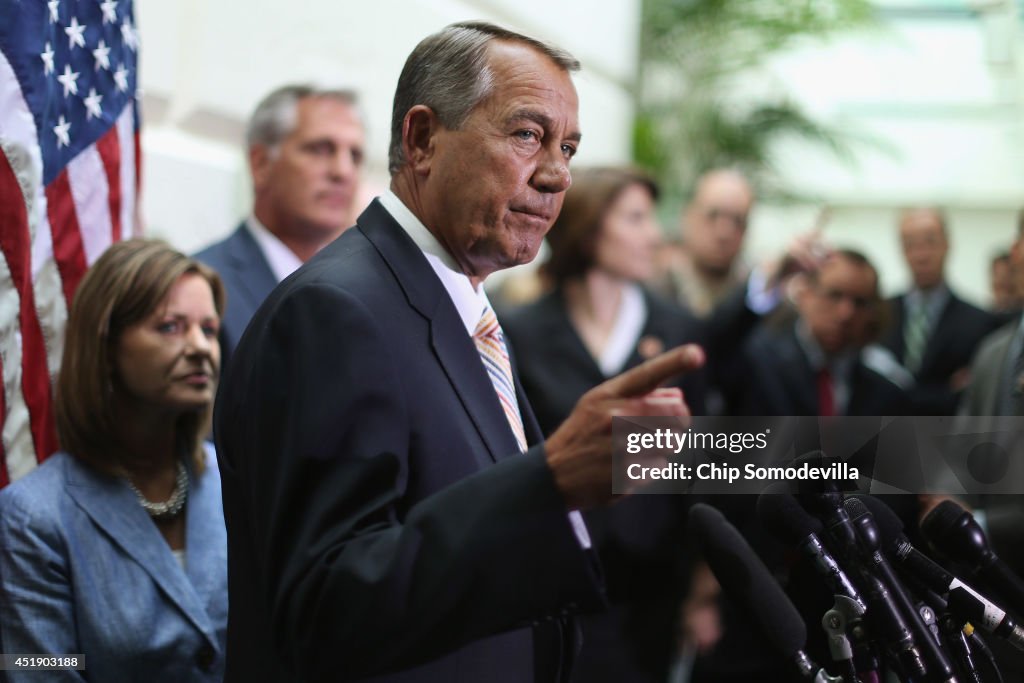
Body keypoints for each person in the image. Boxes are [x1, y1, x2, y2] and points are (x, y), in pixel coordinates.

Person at [214, 21, 701, 683]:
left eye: (569, 147)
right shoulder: (334, 312)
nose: (557, 175)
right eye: (528, 135)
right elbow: (325, 608)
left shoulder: (457, 301)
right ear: (422, 140)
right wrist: (548, 480)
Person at [502, 166, 705, 683]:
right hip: (549, 583)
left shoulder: (678, 330)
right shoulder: (519, 333)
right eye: (635, 218)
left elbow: (698, 464)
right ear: (589, 227)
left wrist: (705, 586)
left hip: (650, 587)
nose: (654, 235)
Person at [0, 239, 228, 682]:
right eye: (170, 327)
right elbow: (34, 664)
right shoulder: (33, 518)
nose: (201, 347)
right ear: (105, 345)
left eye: (210, 329)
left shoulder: (236, 481)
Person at [194, 84, 365, 368]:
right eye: (320, 149)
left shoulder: (370, 290)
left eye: (355, 156)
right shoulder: (206, 287)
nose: (343, 172)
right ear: (261, 163)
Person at [736, 249, 910, 417]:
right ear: (805, 294)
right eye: (834, 295)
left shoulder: (886, 387)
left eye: (860, 302)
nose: (846, 314)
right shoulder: (761, 363)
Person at [880, 207, 999, 415]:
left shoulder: (979, 322)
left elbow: (972, 397)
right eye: (910, 244)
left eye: (930, 242)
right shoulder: (878, 315)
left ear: (947, 244)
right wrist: (944, 392)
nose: (921, 254)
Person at [653, 169, 755, 317]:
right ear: (687, 216)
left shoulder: (756, 297)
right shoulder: (652, 290)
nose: (724, 232)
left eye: (737, 220)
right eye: (712, 215)